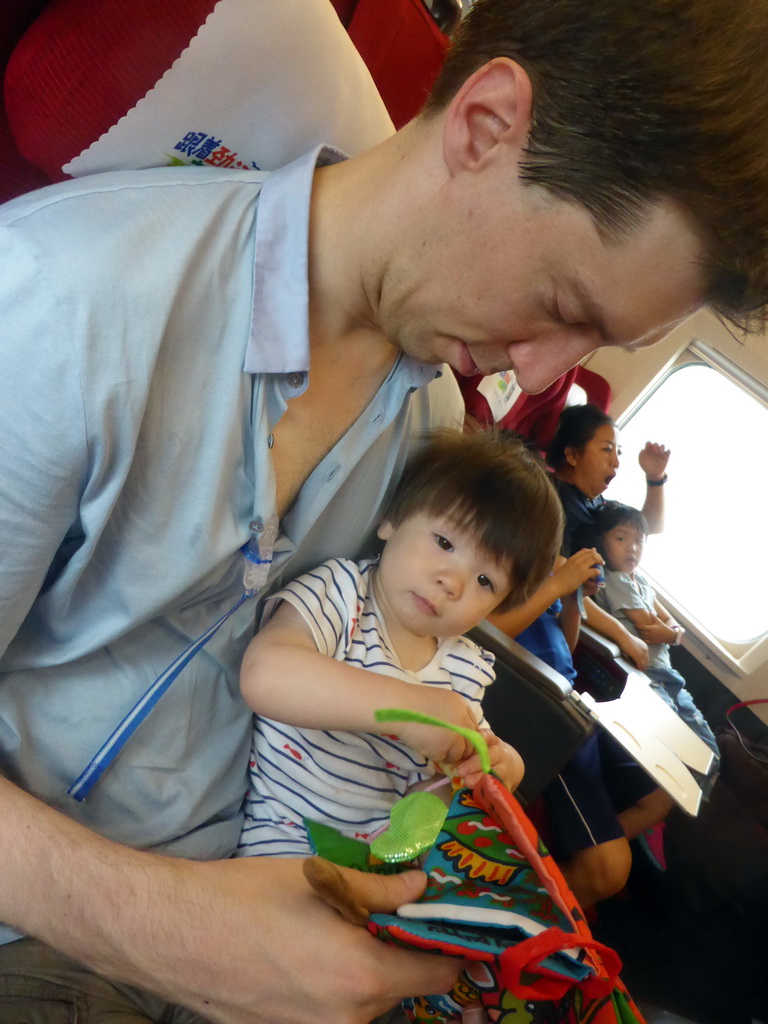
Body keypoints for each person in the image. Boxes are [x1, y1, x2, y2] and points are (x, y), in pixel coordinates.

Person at [1, 0, 767, 1021]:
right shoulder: (65, 301)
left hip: (255, 882)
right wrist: (178, 934)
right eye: (564, 302)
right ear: (485, 125)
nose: (543, 371)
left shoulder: (430, 430)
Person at [237, 431, 561, 857]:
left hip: (377, 865)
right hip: (281, 841)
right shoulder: (343, 594)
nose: (453, 582)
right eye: (444, 542)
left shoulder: (464, 673)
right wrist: (407, 712)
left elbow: (430, 800)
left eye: (485, 581)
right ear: (392, 520)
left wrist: (489, 770)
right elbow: (266, 675)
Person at [488, 550, 672, 907]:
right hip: (539, 709)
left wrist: (574, 599)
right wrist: (557, 583)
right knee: (612, 872)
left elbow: (565, 650)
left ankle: (562, 859)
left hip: (572, 700)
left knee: (660, 795)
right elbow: (483, 632)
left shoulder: (550, 566)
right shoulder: (508, 557)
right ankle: (506, 905)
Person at [593, 501, 720, 778]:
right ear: (602, 541)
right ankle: (666, 792)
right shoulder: (615, 580)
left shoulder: (642, 582)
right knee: (677, 741)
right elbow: (649, 626)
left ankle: (693, 798)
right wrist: (672, 634)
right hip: (645, 673)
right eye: (621, 538)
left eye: (640, 541)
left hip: (666, 672)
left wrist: (673, 633)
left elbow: (674, 626)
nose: (632, 547)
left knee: (709, 749)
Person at [547, 404, 671, 668]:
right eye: (606, 449)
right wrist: (622, 634)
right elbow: (564, 577)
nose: (615, 461)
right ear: (572, 455)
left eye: (618, 452)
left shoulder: (594, 501)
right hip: (566, 614)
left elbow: (648, 526)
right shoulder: (554, 502)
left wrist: (655, 478)